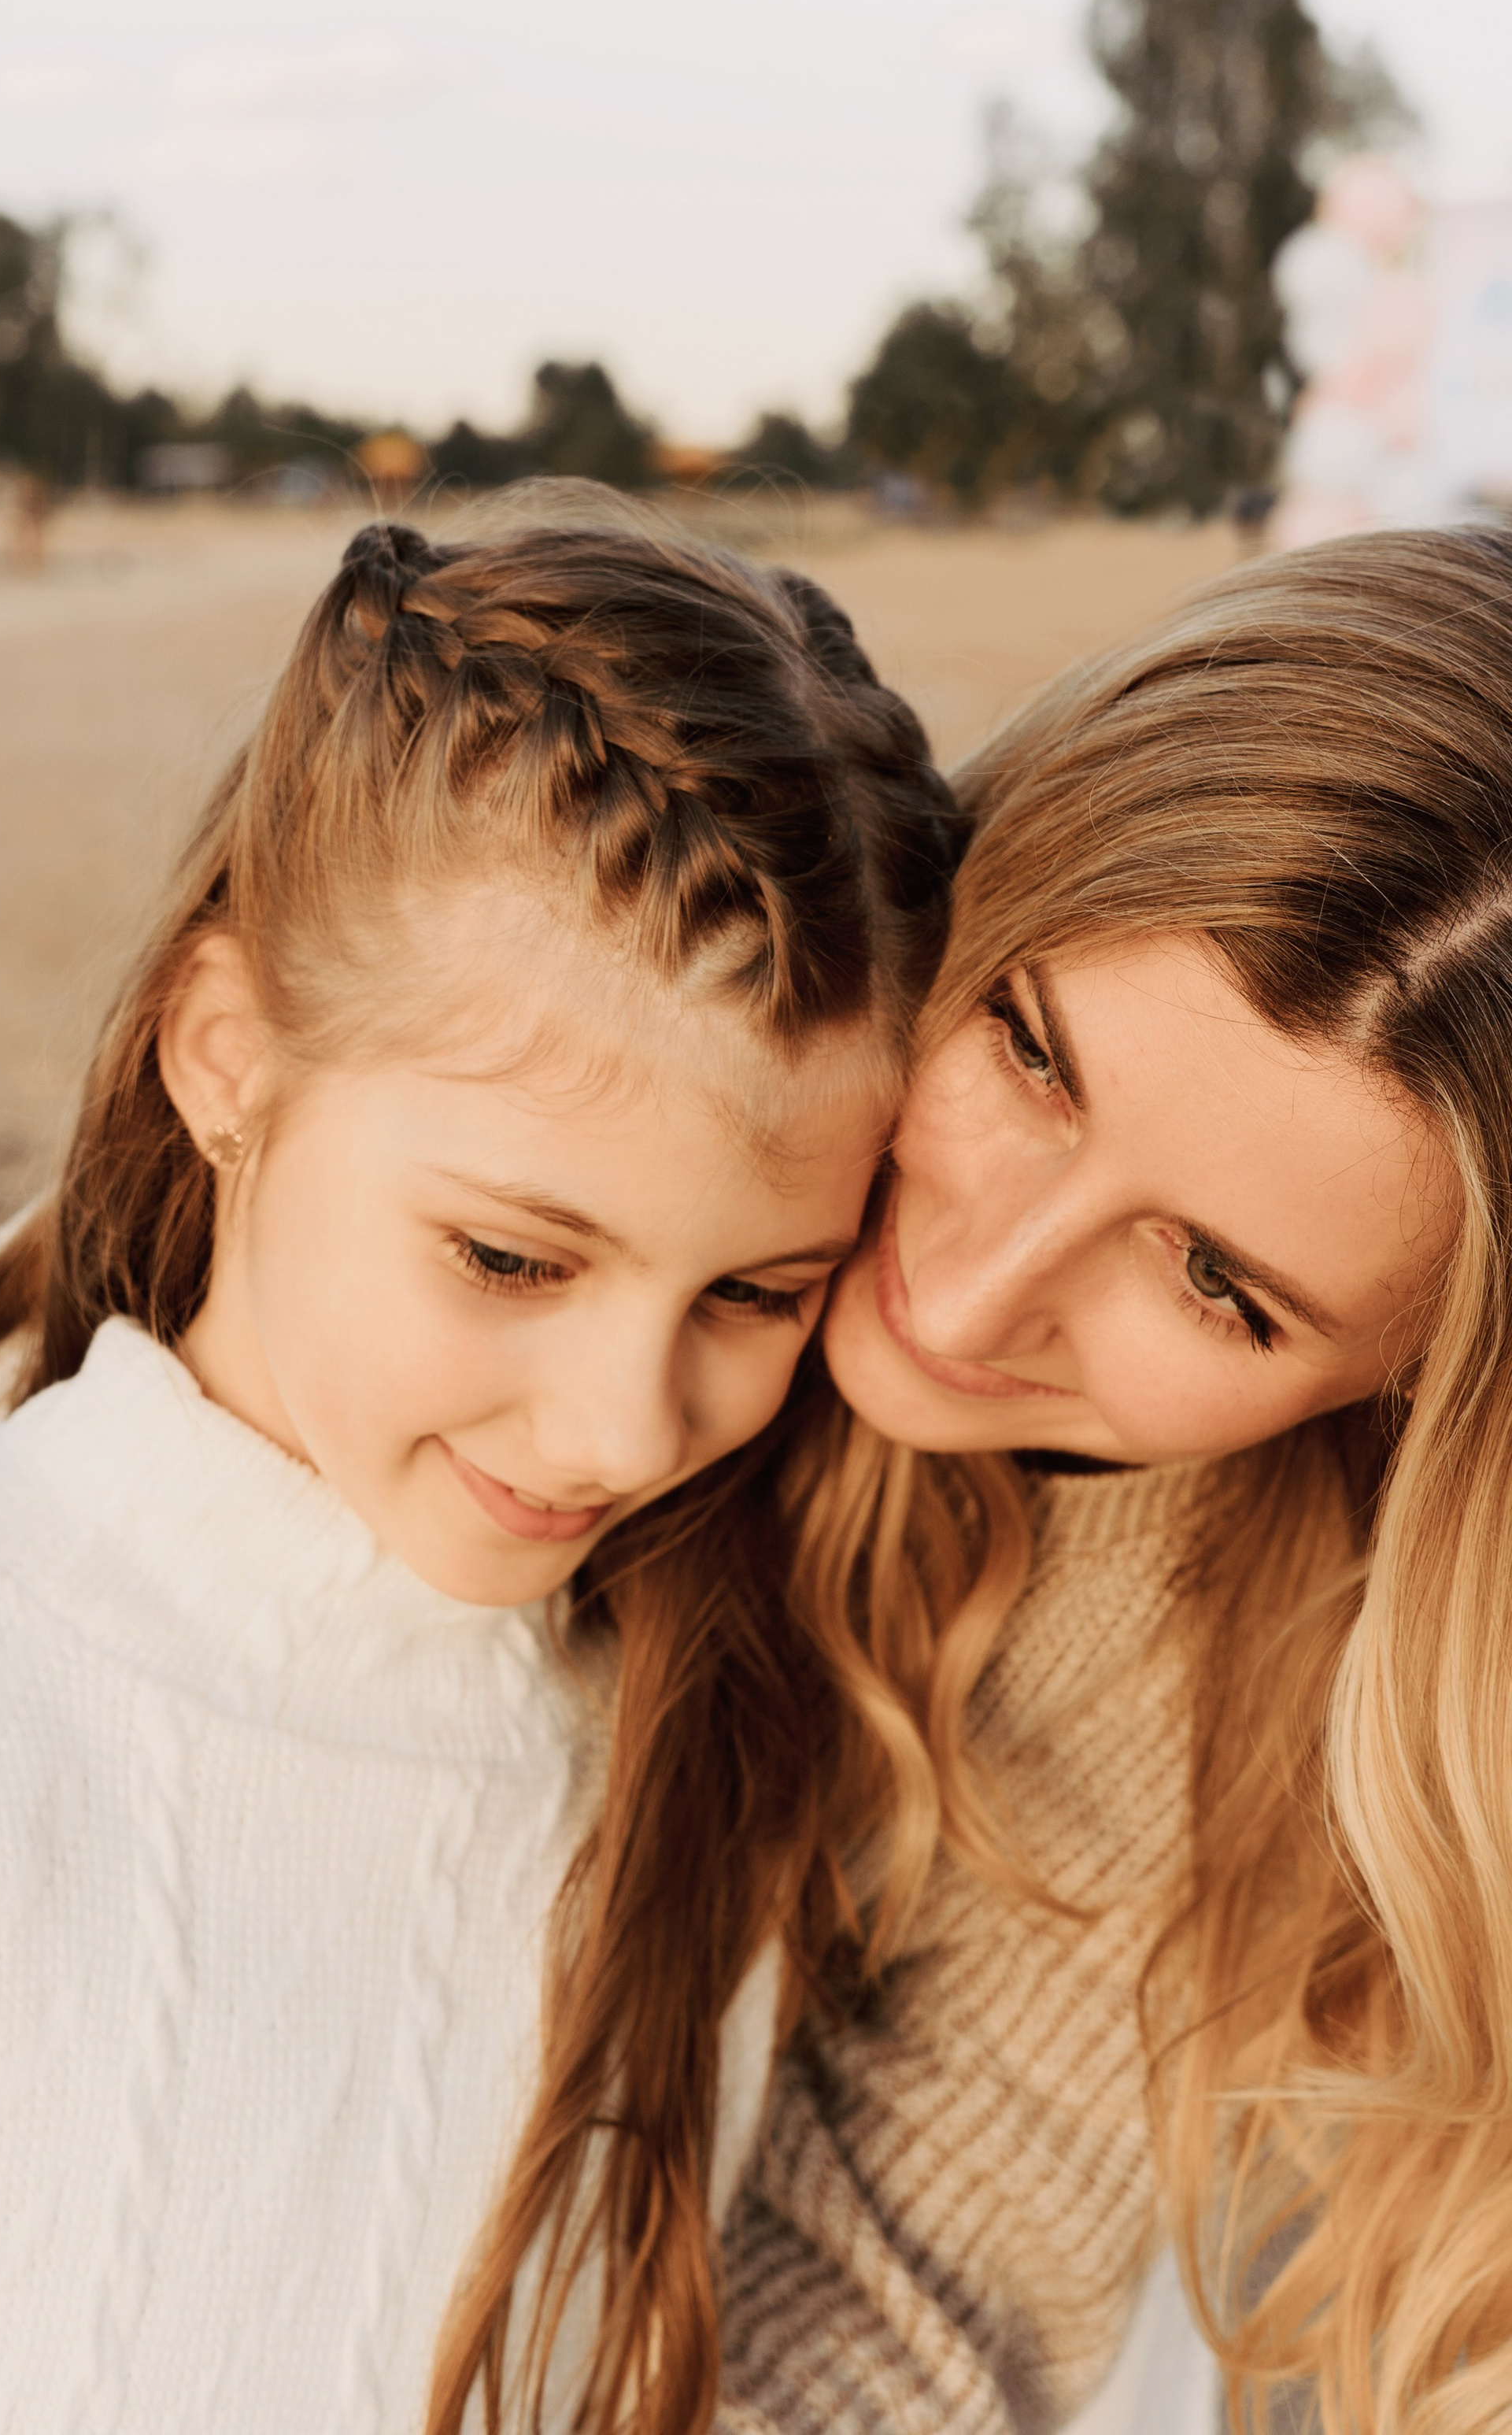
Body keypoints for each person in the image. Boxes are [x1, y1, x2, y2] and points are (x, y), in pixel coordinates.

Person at [0, 518, 958, 2435]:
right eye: (511, 1259)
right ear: (225, 1058)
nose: (621, 1427)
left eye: (755, 1295)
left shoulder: (696, 1791)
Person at [741, 524, 1512, 2434]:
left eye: (1216, 1286)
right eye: (1026, 1049)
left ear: (1406, 1384)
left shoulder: (1232, 1671)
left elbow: (904, 2286)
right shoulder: (582, 1018)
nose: (973, 1288)